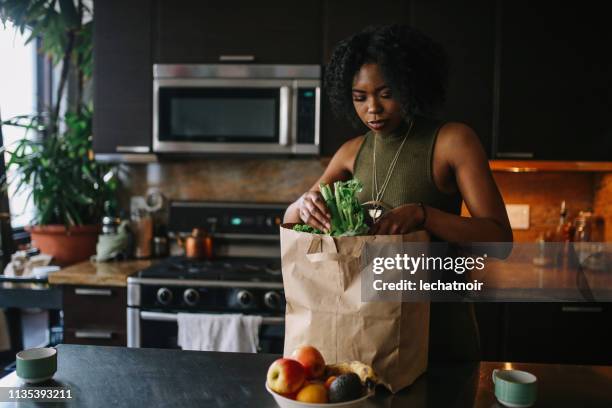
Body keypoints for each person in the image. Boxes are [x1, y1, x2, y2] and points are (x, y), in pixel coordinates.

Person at [283, 24, 513, 361]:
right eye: (359, 98)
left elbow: (500, 241)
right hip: (365, 334)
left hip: (440, 334)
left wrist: (423, 215)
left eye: (386, 93)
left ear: (409, 87)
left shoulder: (453, 141)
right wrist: (305, 204)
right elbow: (289, 221)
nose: (372, 108)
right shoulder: (351, 152)